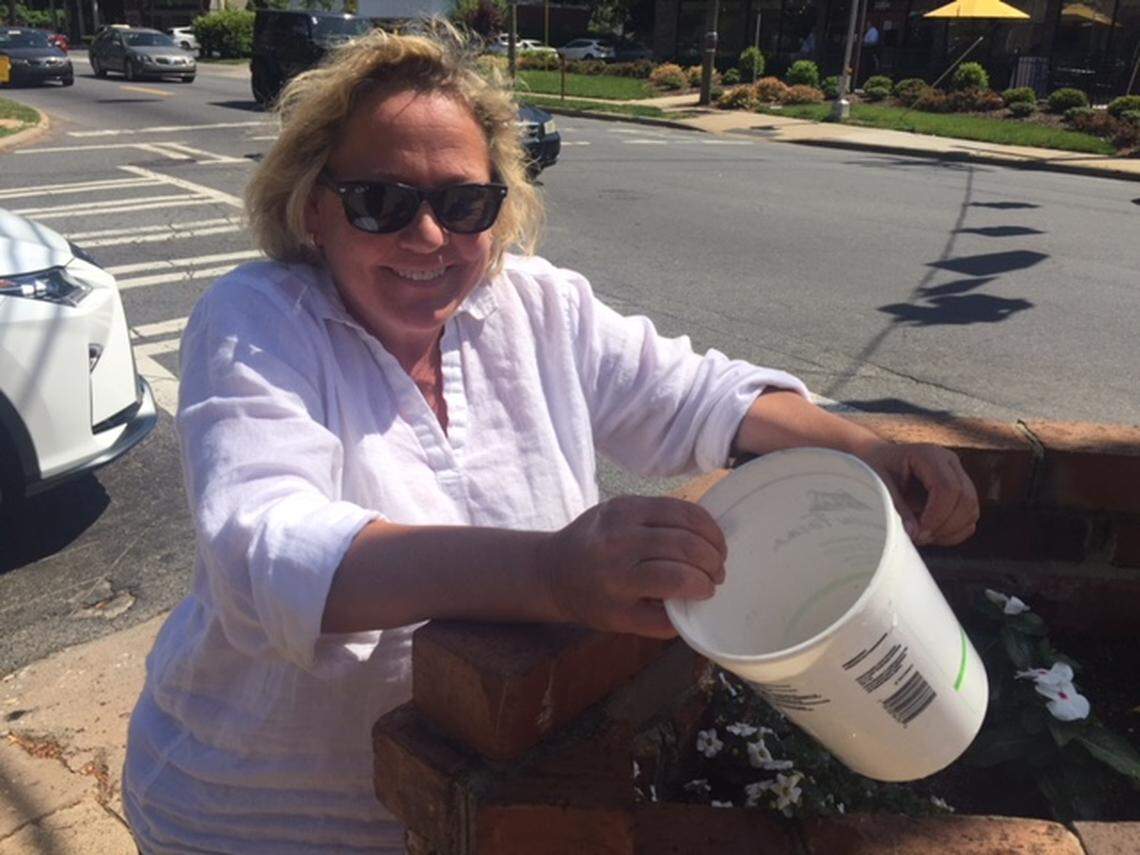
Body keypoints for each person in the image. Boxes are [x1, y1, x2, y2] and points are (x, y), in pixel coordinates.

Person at [122, 23, 979, 853]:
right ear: (314, 208)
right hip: (257, 813)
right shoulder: (258, 319)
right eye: (380, 201)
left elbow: (695, 395)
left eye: (464, 202)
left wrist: (865, 449)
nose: (430, 237)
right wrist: (550, 574)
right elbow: (263, 550)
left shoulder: (537, 306)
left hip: (482, 805)